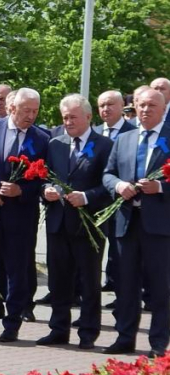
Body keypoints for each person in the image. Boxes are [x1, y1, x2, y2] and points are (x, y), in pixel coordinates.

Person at [36, 94, 113, 350]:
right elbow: (45, 177)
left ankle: (88, 332)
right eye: (65, 117)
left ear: (88, 117)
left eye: (73, 117)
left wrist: (87, 197)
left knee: (89, 281)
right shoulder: (56, 144)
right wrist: (46, 190)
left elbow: (109, 185)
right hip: (58, 223)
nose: (68, 122)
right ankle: (58, 329)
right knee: (59, 280)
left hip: (88, 225)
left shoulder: (105, 145)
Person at [102, 87, 170, 357]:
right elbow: (108, 174)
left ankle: (158, 343)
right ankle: (125, 337)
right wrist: (118, 186)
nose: (145, 109)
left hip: (160, 226)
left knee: (160, 286)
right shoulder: (125, 138)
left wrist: (161, 187)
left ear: (163, 109)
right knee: (126, 284)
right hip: (127, 222)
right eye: (141, 105)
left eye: (151, 105)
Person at [0, 87, 49, 342]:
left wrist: (22, 190)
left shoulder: (42, 139)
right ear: (11, 108)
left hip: (21, 213)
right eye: (26, 110)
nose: (31, 116)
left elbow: (45, 178)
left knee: (18, 268)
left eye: (35, 111)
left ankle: (13, 320)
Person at [94, 90, 136, 294]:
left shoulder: (133, 132)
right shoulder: (93, 132)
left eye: (110, 104)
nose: (106, 109)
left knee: (120, 251)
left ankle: (120, 293)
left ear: (122, 107)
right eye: (102, 105)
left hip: (122, 201)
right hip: (94, 201)